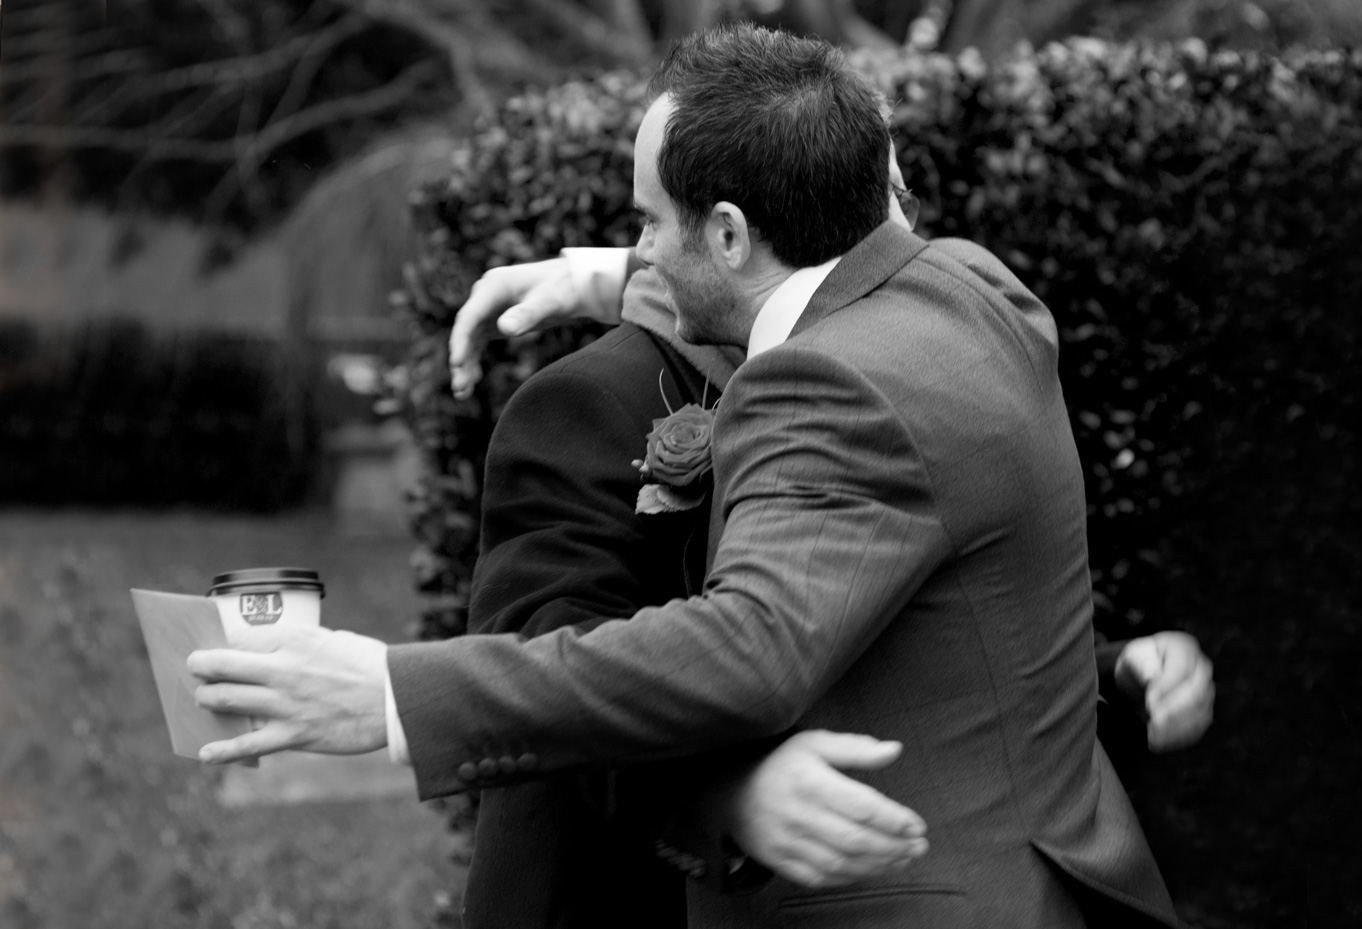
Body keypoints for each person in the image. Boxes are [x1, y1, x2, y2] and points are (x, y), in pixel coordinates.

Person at [192, 24, 1183, 927]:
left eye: (649, 225)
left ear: (725, 233)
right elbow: (814, 280)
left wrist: (394, 695)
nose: (642, 252)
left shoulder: (825, 384)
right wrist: (596, 277)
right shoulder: (980, 290)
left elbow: (749, 642)